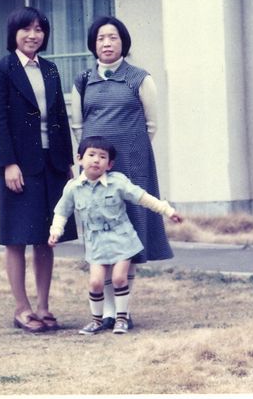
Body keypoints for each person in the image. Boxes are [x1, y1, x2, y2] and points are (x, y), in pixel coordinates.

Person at [70, 15, 172, 330]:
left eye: (113, 37)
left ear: (123, 42)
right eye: (101, 38)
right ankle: (109, 312)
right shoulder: (84, 81)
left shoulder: (140, 78)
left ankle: (123, 312)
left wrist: (128, 153)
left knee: (128, 233)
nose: (107, 43)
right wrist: (94, 162)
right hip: (94, 172)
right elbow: (78, 125)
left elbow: (151, 125)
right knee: (101, 232)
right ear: (93, 45)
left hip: (132, 164)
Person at [0, 6, 78, 333]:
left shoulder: (50, 69)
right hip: (19, 166)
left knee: (46, 238)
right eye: (26, 29)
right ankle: (22, 308)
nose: (33, 35)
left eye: (39, 29)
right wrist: (8, 163)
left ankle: (43, 306)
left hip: (51, 163)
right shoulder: (0, 69)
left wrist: (68, 163)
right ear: (14, 33)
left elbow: (59, 118)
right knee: (16, 239)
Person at [48, 136, 182, 334]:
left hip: (122, 238)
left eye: (102, 157)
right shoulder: (73, 188)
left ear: (109, 164)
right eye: (91, 155)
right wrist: (55, 231)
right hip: (96, 243)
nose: (96, 160)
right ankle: (97, 320)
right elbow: (62, 212)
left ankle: (121, 318)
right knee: (95, 282)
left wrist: (167, 211)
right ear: (79, 159)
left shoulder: (118, 183)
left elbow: (142, 197)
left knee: (119, 278)